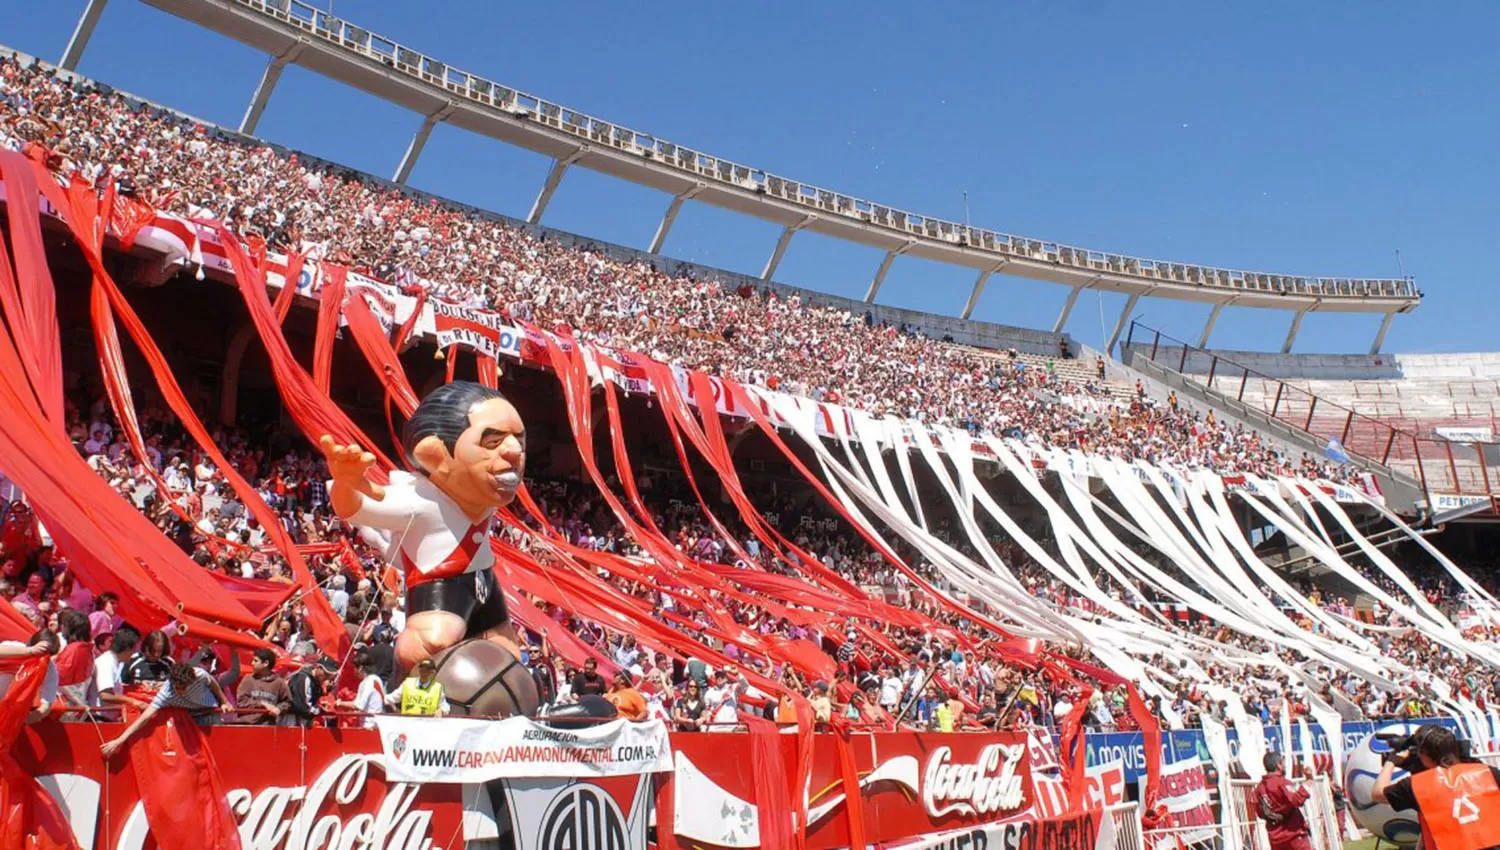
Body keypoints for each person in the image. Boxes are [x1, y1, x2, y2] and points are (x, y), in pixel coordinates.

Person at [320, 383, 533, 698]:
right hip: (439, 585)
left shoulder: (485, 498)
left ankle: (502, 711)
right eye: (493, 440)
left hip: (484, 581)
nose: (514, 451)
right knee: (430, 644)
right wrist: (345, 483)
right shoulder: (419, 499)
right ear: (435, 456)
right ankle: (405, 698)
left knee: (507, 655)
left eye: (519, 439)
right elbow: (356, 508)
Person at [1373, 725, 1500, 850]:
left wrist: (1391, 762)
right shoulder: (1487, 772)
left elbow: (1377, 793)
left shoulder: (1417, 785)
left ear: (1425, 755)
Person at [100, 661, 235, 759]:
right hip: (189, 718)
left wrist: (224, 701)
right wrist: (119, 740)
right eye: (177, 688)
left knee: (215, 754)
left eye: (183, 688)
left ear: (191, 681)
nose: (180, 691)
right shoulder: (167, 692)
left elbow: (212, 681)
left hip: (209, 713)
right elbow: (144, 718)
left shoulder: (199, 675)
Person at [1253, 752, 1312, 850]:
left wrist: (1275, 814)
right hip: (1294, 835)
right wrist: (1308, 782)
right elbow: (1296, 800)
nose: (1285, 766)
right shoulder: (1282, 782)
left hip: (1276, 839)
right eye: (1283, 763)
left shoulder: (1259, 788)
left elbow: (1260, 813)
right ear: (1278, 766)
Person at [236, 648, 292, 725]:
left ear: (265, 663)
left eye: (256, 661)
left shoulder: (279, 682)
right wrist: (262, 704)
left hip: (267, 726)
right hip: (246, 724)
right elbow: (241, 702)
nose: (252, 663)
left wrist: (279, 708)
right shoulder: (248, 679)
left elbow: (287, 702)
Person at [337, 649, 387, 727]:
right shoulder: (376, 679)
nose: (353, 671)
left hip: (369, 726)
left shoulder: (368, 682)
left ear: (360, 668)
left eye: (354, 668)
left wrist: (339, 703)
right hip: (375, 724)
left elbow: (358, 705)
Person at [286, 656, 337, 727]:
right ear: (318, 667)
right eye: (325, 673)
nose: (326, 677)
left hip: (302, 722)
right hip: (292, 722)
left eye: (329, 675)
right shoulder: (302, 678)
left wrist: (322, 692)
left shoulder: (314, 681)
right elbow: (301, 706)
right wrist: (319, 710)